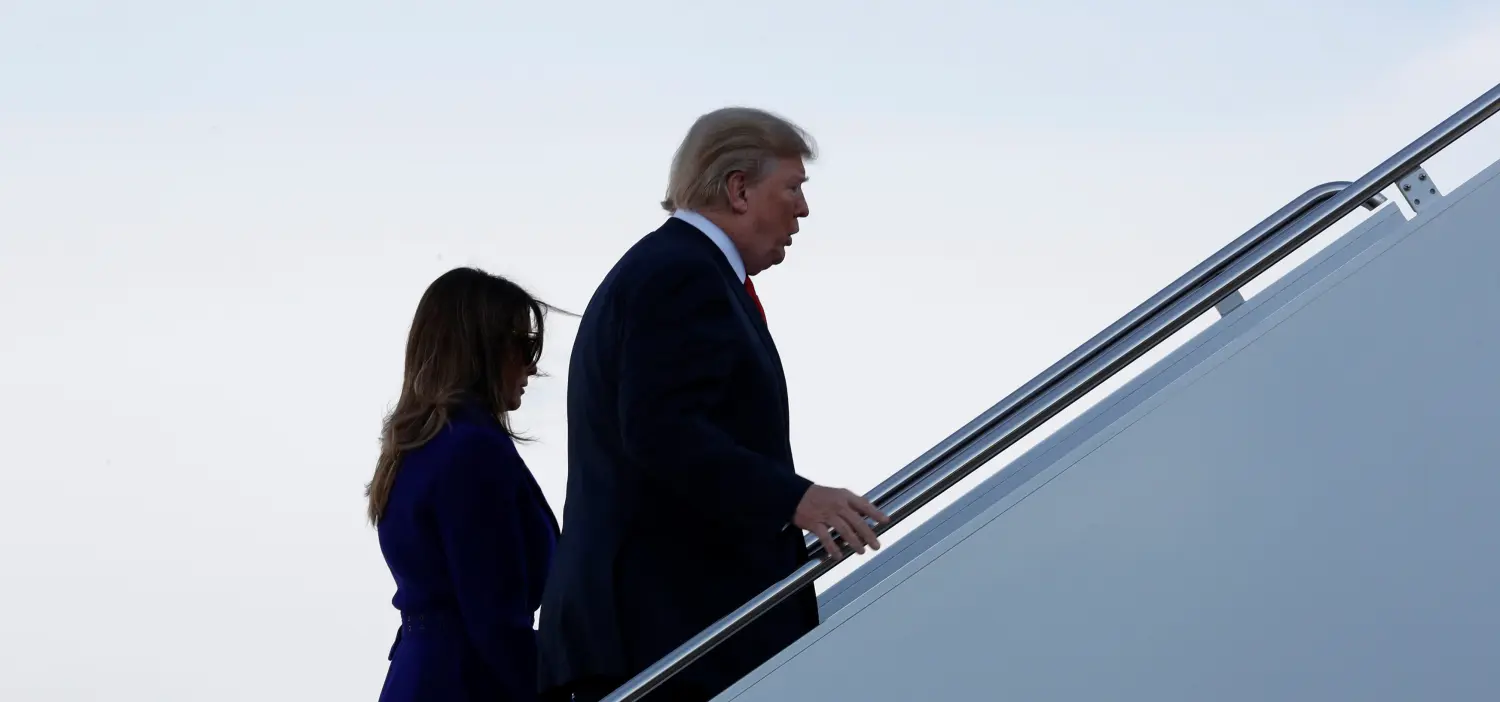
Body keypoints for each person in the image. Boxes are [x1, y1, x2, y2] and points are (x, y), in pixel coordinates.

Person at [538, 107, 891, 702]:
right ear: (738, 188)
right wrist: (794, 498)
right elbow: (659, 432)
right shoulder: (682, 275)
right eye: (793, 188)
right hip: (669, 633)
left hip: (663, 627)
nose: (803, 209)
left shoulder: (673, 268)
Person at [368, 267, 561, 702]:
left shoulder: (415, 449)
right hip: (468, 683)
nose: (532, 364)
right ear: (482, 350)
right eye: (523, 344)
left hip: (421, 678)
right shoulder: (471, 452)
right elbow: (495, 621)